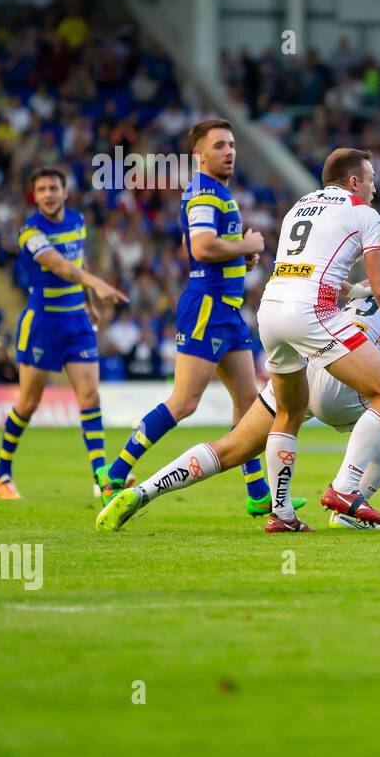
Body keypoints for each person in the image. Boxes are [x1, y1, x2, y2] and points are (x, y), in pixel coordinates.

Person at [96, 224, 380, 533]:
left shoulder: (377, 283)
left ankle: (142, 493)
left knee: (231, 447)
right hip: (346, 382)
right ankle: (348, 495)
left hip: (309, 358)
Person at [100, 119, 274, 514]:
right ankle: (115, 474)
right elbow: (200, 247)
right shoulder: (203, 193)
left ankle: (258, 494)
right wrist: (245, 243)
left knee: (248, 403)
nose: (228, 151)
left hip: (227, 310)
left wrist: (240, 256)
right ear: (199, 155)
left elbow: (195, 246)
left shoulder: (217, 193)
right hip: (207, 308)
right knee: (184, 402)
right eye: (219, 146)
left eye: (231, 144)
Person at [254, 148, 380, 533]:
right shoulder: (364, 213)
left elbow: (304, 264)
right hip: (313, 312)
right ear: (354, 181)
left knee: (289, 413)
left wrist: (342, 286)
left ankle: (282, 515)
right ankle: (345, 488)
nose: (374, 188)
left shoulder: (299, 205)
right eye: (370, 179)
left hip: (270, 311)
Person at [0, 168, 128, 500]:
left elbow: (77, 262)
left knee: (90, 397)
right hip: (43, 326)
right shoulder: (30, 232)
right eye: (41, 190)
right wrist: (97, 284)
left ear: (65, 192)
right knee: (28, 403)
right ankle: (1, 473)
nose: (48, 194)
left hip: (76, 322)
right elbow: (60, 266)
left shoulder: (78, 221)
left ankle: (100, 477)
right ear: (34, 196)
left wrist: (88, 300)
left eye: (53, 188)